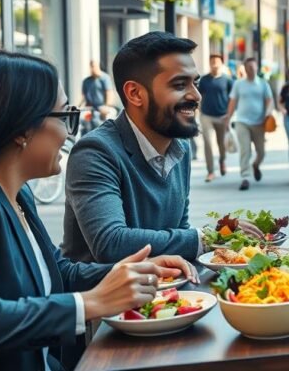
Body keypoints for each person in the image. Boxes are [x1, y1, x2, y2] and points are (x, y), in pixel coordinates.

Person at [0, 50, 196, 371]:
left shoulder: (16, 193)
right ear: (21, 130)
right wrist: (89, 303)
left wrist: (134, 271)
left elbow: (57, 272)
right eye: (65, 117)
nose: (69, 133)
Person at [62, 32, 264, 264]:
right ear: (135, 94)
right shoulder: (95, 153)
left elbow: (178, 231)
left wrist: (223, 245)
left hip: (164, 292)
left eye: (195, 83)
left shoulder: (181, 147)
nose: (196, 95)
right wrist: (208, 237)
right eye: (180, 85)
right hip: (105, 297)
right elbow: (111, 243)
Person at [226, 57, 274, 191]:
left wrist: (268, 112)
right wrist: (228, 118)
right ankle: (245, 177)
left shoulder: (263, 84)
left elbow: (269, 101)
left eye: (253, 67)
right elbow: (232, 102)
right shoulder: (238, 84)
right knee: (245, 150)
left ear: (257, 68)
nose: (251, 70)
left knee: (261, 152)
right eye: (248, 68)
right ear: (245, 69)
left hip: (259, 123)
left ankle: (256, 165)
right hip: (242, 122)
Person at [198, 54, 234, 183]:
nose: (214, 64)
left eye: (217, 62)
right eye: (212, 61)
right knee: (207, 143)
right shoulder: (204, 80)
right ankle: (211, 171)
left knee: (221, 144)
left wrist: (229, 115)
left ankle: (222, 161)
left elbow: (232, 99)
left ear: (221, 63)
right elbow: (198, 96)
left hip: (222, 116)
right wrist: (198, 110)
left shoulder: (227, 80)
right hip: (206, 115)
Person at [78, 60, 114, 132]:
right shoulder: (86, 81)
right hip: (90, 108)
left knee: (104, 123)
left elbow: (109, 93)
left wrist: (107, 107)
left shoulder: (105, 78)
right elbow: (83, 96)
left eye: (94, 66)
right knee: (82, 120)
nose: (93, 68)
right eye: (91, 66)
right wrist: (78, 107)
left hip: (102, 107)